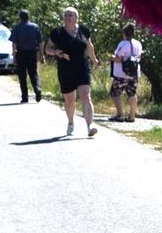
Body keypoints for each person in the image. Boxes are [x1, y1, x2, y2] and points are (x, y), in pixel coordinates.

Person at [45, 7, 97, 138]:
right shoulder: (57, 32)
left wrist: (94, 59)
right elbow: (47, 49)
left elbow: (89, 46)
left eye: (71, 15)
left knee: (86, 96)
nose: (68, 17)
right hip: (65, 68)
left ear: (77, 18)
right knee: (69, 100)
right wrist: (56, 52)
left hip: (82, 67)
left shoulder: (83, 30)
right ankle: (71, 122)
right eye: (66, 15)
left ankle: (89, 126)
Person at [110, 22, 142, 121]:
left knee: (115, 92)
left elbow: (118, 59)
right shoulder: (138, 44)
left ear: (124, 33)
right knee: (132, 93)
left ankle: (120, 114)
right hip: (134, 73)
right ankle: (132, 116)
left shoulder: (123, 44)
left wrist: (112, 57)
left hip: (121, 74)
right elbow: (139, 57)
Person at [9, 8, 43, 103]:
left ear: (20, 17)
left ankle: (25, 97)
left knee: (22, 76)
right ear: (28, 17)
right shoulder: (35, 27)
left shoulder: (17, 27)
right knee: (33, 73)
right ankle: (37, 89)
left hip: (21, 54)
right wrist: (41, 54)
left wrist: (14, 56)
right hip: (32, 53)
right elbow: (40, 42)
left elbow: (14, 44)